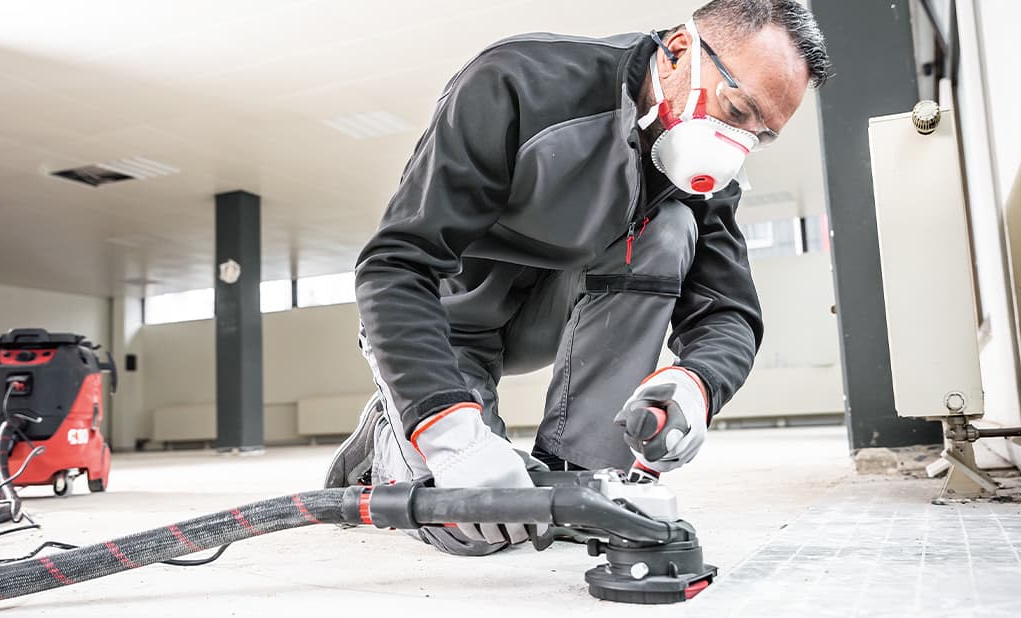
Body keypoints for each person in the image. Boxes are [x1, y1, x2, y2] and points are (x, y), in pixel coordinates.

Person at [325, 0, 830, 556]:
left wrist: (697, 385)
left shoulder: (701, 177)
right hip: (448, 326)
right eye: (737, 109)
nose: (736, 146)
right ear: (681, 51)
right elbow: (396, 265)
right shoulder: (517, 82)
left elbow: (729, 310)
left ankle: (580, 467)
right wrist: (448, 433)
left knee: (669, 226)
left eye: (760, 134)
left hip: (545, 316)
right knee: (476, 527)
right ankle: (388, 437)